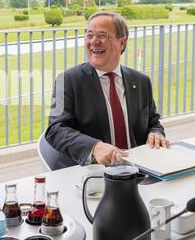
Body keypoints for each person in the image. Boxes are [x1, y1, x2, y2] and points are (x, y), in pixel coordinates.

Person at [45, 11, 169, 168]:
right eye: (89, 35)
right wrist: (94, 146)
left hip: (139, 170)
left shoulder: (141, 81)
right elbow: (55, 130)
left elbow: (153, 122)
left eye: (102, 36)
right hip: (92, 173)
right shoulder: (67, 80)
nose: (94, 41)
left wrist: (156, 133)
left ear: (122, 43)